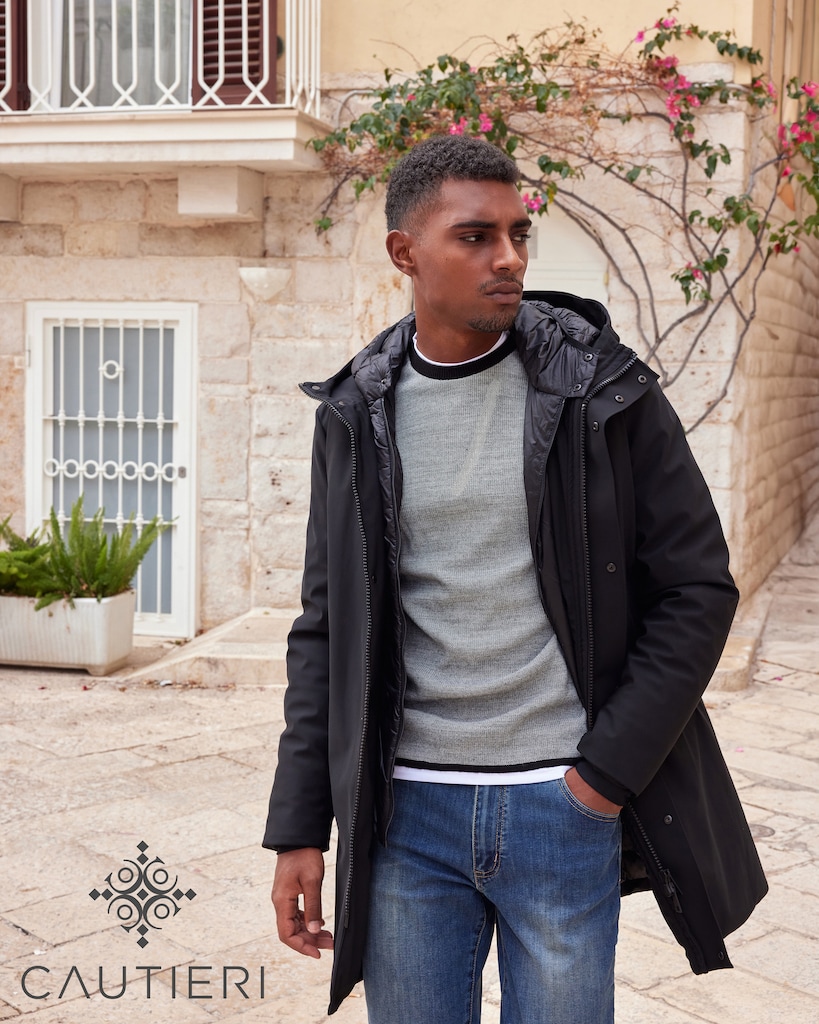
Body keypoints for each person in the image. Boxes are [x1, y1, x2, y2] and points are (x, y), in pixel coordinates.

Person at [263, 134, 767, 1023]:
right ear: (404, 252)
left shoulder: (603, 390)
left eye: (518, 234)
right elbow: (325, 626)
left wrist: (601, 777)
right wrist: (300, 823)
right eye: (475, 236)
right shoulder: (353, 412)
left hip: (560, 804)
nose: (508, 258)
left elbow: (696, 590)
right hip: (404, 814)